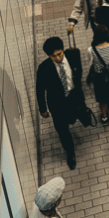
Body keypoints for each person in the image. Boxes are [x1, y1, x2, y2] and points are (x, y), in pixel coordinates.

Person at [36, 37, 84, 170]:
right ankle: (70, 153)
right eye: (54, 56)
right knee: (63, 132)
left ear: (63, 50)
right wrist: (43, 108)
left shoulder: (74, 55)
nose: (58, 58)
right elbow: (40, 90)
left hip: (74, 97)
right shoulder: (44, 68)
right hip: (57, 104)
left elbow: (78, 73)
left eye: (60, 54)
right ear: (49, 55)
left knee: (75, 117)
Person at [82, 24, 109, 127]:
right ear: (107, 35)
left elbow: (91, 63)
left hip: (100, 79)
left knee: (103, 100)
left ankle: (105, 117)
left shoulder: (91, 50)